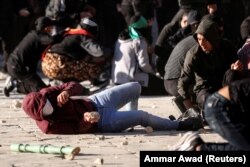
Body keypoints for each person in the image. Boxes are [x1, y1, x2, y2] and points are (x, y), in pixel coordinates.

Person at [22, 81, 203, 134]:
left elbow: (75, 85)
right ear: (39, 116)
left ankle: (128, 121)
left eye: (47, 103)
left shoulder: (47, 93)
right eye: (45, 110)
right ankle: (180, 125)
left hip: (94, 101)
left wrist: (68, 92)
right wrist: (87, 121)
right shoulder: (49, 127)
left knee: (135, 87)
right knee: (142, 116)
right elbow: (76, 129)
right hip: (100, 122)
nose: (49, 107)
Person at [177, 18, 238, 117]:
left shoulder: (227, 47)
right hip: (204, 89)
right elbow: (183, 81)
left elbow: (235, 69)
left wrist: (236, 68)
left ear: (213, 39)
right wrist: (189, 108)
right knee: (210, 102)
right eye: (199, 39)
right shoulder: (194, 54)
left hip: (224, 86)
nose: (201, 43)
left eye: (205, 40)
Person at [171, 78, 250, 151]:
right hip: (217, 107)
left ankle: (198, 147)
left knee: (244, 145)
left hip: (229, 106)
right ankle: (196, 147)